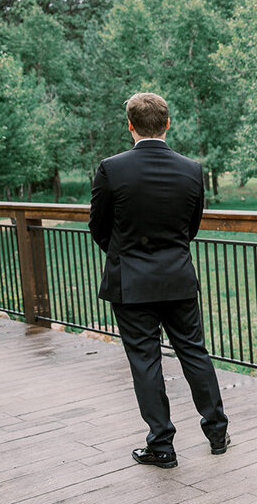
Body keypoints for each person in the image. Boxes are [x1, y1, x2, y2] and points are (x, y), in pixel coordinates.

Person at [88, 92, 229, 469]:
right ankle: (217, 433)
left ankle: (162, 446)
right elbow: (191, 227)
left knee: (145, 361)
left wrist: (126, 257)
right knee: (194, 352)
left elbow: (99, 227)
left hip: (131, 283)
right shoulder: (191, 169)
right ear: (167, 123)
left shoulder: (111, 169)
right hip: (178, 277)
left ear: (130, 126)